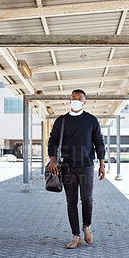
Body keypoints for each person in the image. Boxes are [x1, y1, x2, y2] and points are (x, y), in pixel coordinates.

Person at [47, 89, 106, 249]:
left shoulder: (91, 120)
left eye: (79, 98)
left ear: (84, 102)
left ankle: (86, 225)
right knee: (71, 202)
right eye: (73, 98)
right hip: (67, 167)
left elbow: (99, 143)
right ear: (70, 100)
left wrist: (102, 164)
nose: (76, 100)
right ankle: (76, 236)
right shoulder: (62, 121)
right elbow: (52, 141)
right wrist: (52, 160)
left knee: (87, 199)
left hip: (87, 166)